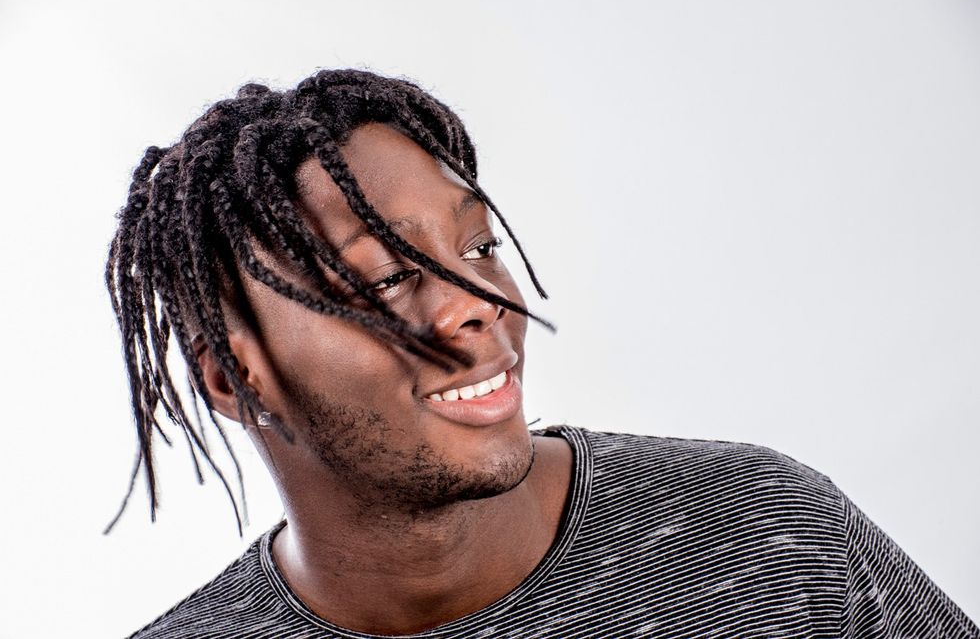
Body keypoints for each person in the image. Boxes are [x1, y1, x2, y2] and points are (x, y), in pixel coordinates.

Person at [108, 69, 978, 638]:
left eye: (480, 250)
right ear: (233, 376)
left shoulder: (766, 532)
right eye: (383, 281)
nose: (477, 307)